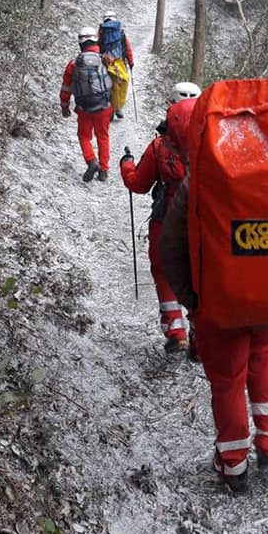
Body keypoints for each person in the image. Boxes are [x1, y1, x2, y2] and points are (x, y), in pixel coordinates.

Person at [159, 81, 268, 493]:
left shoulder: (203, 179)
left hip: (221, 302)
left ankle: (233, 465)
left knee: (229, 379)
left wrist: (192, 299)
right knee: (263, 355)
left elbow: (172, 247)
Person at [119, 81, 201, 354]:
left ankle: (176, 331)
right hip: (205, 224)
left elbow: (138, 184)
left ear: (170, 107)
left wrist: (126, 165)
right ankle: (200, 336)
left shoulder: (159, 147)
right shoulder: (214, 147)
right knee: (201, 277)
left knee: (164, 272)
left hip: (166, 222)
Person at [60, 27, 112, 182]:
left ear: (80, 42)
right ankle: (103, 170)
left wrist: (64, 106)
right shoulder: (105, 59)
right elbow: (115, 80)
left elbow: (66, 87)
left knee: (84, 136)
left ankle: (91, 161)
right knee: (103, 136)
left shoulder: (74, 64)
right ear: (95, 40)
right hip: (103, 106)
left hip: (84, 108)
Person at [98, 12, 134, 119]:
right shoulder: (121, 33)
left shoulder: (101, 32)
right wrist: (131, 63)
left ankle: (105, 109)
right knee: (118, 86)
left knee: (104, 85)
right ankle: (117, 108)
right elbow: (127, 49)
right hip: (119, 63)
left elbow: (96, 46)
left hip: (105, 62)